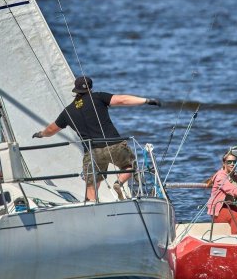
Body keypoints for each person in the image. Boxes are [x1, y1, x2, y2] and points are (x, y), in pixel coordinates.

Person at [31, 76, 160, 201]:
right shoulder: (98, 97)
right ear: (90, 88)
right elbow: (122, 100)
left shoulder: (68, 111)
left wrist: (41, 134)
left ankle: (91, 203)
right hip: (114, 145)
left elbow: (51, 130)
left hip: (92, 152)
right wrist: (146, 100)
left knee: (92, 183)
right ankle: (119, 183)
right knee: (130, 166)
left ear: (75, 90)